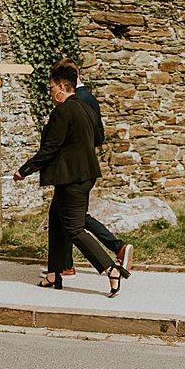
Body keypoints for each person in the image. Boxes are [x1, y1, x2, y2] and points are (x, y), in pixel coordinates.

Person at [13, 64, 131, 297]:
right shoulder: (85, 107)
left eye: (51, 88)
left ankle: (110, 269)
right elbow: (97, 137)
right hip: (84, 175)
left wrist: (24, 170)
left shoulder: (64, 110)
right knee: (56, 222)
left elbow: (50, 148)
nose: (50, 92)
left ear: (61, 87)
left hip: (71, 178)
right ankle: (54, 273)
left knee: (75, 229)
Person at [48, 59, 134, 277]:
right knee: (62, 215)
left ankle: (115, 249)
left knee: (74, 218)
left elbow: (94, 135)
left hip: (75, 169)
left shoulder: (80, 99)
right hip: (78, 167)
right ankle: (62, 266)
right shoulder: (86, 98)